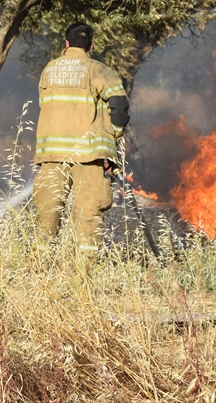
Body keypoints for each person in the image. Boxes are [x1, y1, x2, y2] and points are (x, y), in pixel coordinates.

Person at [32, 22, 130, 266]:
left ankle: (40, 270)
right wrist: (114, 137)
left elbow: (45, 104)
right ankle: (84, 275)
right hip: (89, 155)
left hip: (51, 155)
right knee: (88, 213)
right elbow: (119, 106)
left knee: (47, 212)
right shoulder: (98, 70)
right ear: (91, 46)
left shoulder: (49, 70)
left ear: (66, 44)